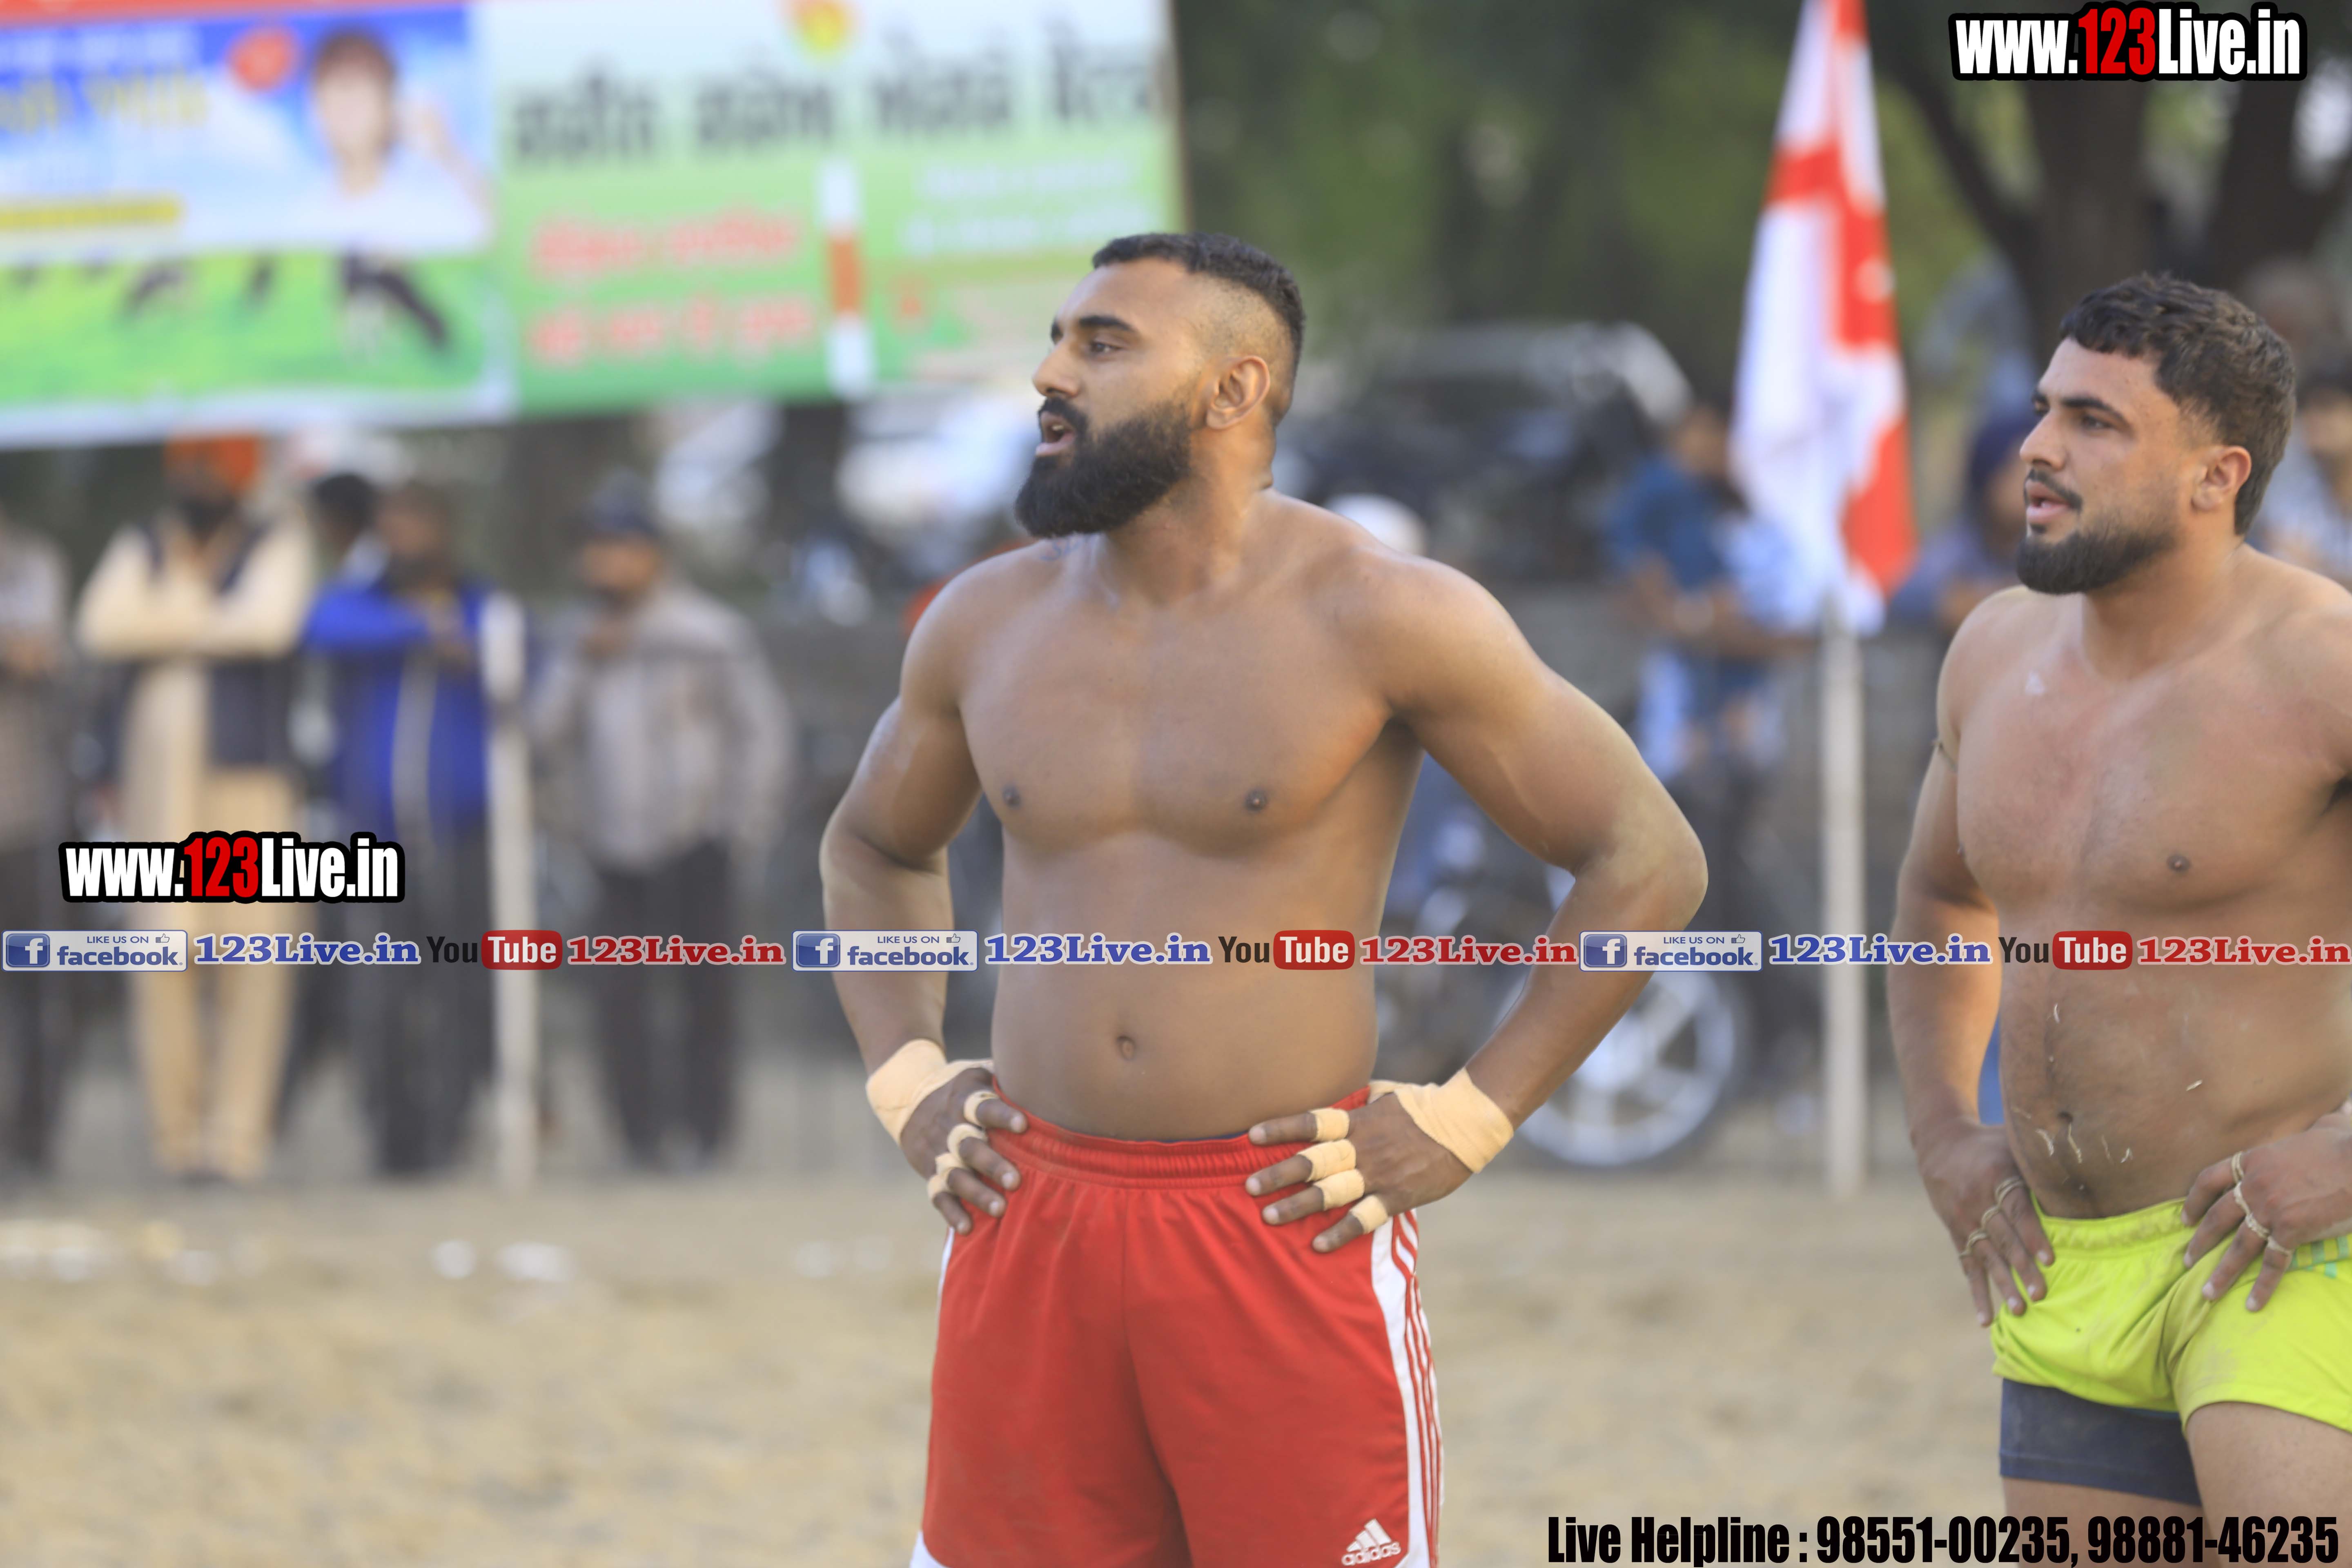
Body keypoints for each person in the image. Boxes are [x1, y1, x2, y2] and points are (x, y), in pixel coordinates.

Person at [820, 232, 1706, 1568]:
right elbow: (874, 845)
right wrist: (906, 1076)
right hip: (1026, 1213)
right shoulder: (981, 622)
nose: (1052, 374)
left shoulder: (1384, 612)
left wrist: (1472, 1116)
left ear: (1233, 390)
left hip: (1282, 1217)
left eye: (1103, 345)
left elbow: (1646, 856)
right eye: (1058, 340)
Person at [1889, 274, 2352, 1521]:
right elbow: (1939, 897)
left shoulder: (2326, 666)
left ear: (2217, 476)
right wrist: (1943, 1132)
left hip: (2287, 1250)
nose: (2036, 447)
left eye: (2094, 421)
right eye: (2047, 407)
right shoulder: (1991, 653)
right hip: (2066, 1265)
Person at [531, 476, 790, 1170]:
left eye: (619, 546)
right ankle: (639, 1136)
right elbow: (542, 734)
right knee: (620, 999)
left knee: (705, 995)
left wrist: (741, 828)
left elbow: (760, 733)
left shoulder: (708, 632)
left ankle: (707, 1135)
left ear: (653, 553)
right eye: (594, 548)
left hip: (698, 841)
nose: (605, 562)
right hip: (611, 848)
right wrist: (583, 662)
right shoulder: (574, 637)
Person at [76, 434, 312, 1184]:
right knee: (161, 959)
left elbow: (269, 625)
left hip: (247, 788)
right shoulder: (144, 544)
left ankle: (235, 1141)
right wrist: (210, 617)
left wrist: (165, 618)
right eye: (189, 465)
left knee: (253, 959)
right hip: (157, 798)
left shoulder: (278, 542)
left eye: (213, 465)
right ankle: (175, 1141)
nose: (198, 479)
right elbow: (101, 626)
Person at [302, 481, 495, 1174]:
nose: (403, 540)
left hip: (460, 830)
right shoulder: (359, 604)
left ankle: (449, 1127)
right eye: (392, 528)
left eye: (416, 525)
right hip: (371, 834)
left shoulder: (480, 604)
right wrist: (419, 629)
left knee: (459, 987)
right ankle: (391, 1133)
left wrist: (458, 638)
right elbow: (319, 626)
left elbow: (515, 657)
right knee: (376, 991)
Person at [0, 506, 69, 1175]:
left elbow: (34, 655)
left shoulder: (27, 560)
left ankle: (31, 1141)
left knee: (33, 983)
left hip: (19, 813)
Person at [1890, 408, 2035, 638]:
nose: (2032, 486)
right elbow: (1905, 597)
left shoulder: (2051, 543)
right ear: (1989, 479)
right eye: (2017, 474)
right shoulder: (1960, 545)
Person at [2250, 358, 2352, 588]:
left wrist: (2320, 569)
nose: (2315, 421)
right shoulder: (2293, 493)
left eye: (2328, 408)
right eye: (2307, 410)